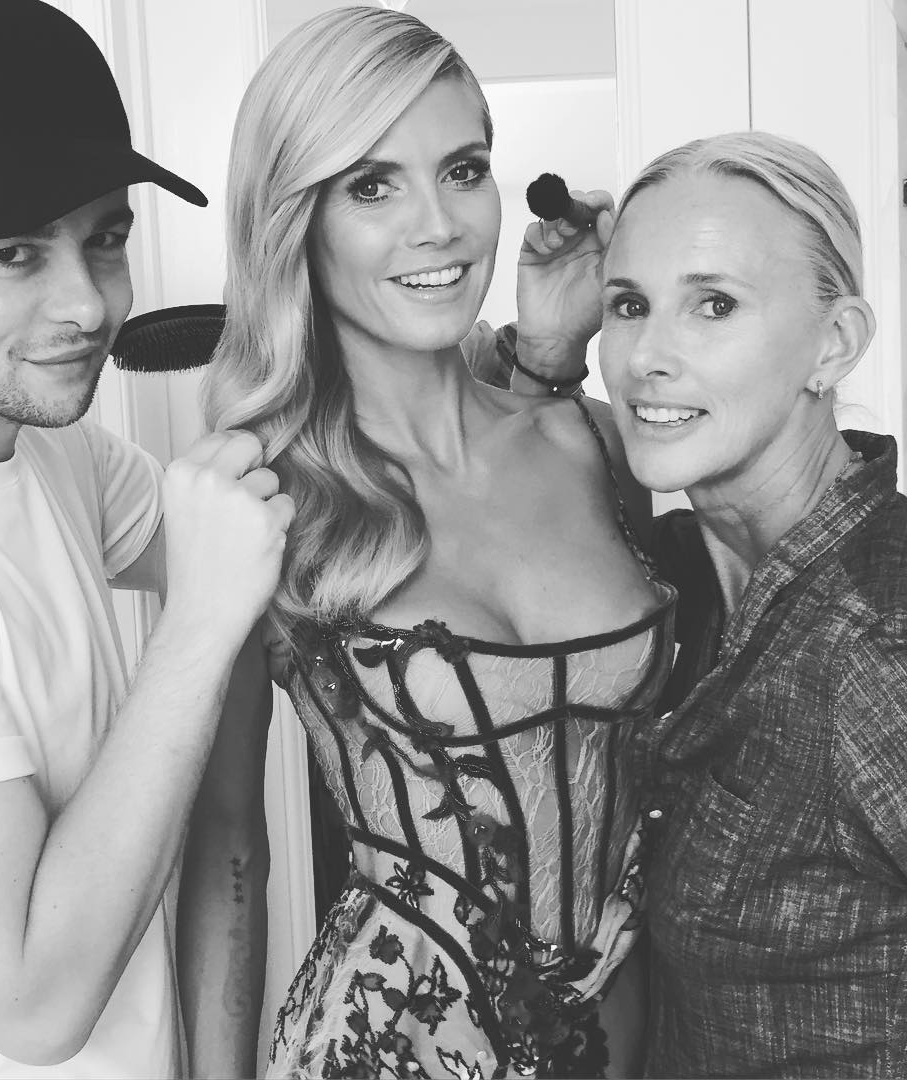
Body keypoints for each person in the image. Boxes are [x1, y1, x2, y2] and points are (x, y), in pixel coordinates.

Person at [202, 8, 677, 1077]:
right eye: (372, 186)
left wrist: (555, 352)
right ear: (297, 220)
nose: (440, 226)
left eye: (462, 171)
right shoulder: (262, 504)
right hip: (391, 1044)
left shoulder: (588, 441)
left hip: (635, 1040)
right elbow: (228, 845)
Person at [0, 1, 288, 1076]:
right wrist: (199, 627)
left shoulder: (46, 446)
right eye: (14, 254)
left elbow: (268, 544)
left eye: (105, 239)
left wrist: (516, 379)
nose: (88, 305)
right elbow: (32, 1005)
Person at [473, 131, 905, 1077]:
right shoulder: (672, 577)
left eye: (714, 304)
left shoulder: (882, 638)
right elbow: (500, 576)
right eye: (629, 305)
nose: (645, 358)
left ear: (834, 344)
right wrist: (545, 355)